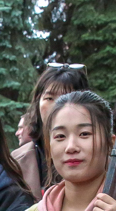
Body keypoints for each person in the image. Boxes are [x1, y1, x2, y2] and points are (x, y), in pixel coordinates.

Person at [13, 64, 90, 198]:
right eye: (49, 98)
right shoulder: (16, 162)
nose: (57, 106)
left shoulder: (102, 160)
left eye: (67, 98)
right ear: (38, 102)